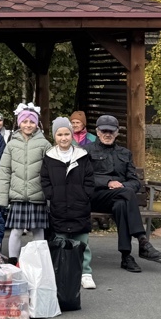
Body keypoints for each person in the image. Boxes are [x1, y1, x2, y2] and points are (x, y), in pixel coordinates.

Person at [87, 115, 161, 269]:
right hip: (96, 197)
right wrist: (108, 182)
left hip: (120, 197)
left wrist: (122, 186)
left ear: (117, 132)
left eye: (111, 131)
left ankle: (126, 257)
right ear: (97, 132)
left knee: (121, 205)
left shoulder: (125, 153)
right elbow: (85, 177)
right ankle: (142, 239)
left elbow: (134, 181)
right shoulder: (87, 151)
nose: (107, 134)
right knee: (127, 194)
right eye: (104, 131)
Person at [42, 117, 95, 289]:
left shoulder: (82, 156)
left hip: (80, 205)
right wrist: (51, 195)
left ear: (72, 135)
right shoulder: (49, 157)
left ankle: (85, 272)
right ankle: (62, 271)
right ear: (54, 137)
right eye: (59, 135)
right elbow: (45, 179)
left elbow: (89, 179)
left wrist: (85, 195)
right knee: (60, 241)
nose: (63, 138)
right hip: (59, 206)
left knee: (82, 241)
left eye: (66, 134)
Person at [0, 102, 50, 264]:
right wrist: (1, 199)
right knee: (16, 230)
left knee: (38, 230)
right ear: (19, 123)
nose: (28, 125)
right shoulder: (11, 145)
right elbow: (4, 172)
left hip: (38, 195)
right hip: (17, 196)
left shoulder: (45, 144)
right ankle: (13, 262)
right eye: (24, 121)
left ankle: (39, 262)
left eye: (32, 121)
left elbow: (50, 172)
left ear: (37, 123)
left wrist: (50, 197)